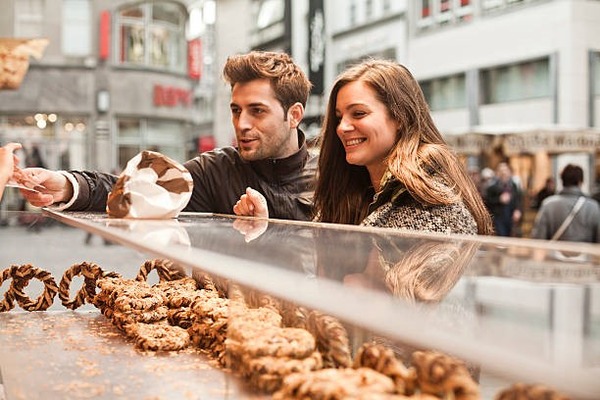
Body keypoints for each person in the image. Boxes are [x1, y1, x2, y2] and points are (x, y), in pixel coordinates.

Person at [18, 51, 317, 220]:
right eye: (237, 110)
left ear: (294, 115)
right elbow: (134, 188)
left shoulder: (331, 174)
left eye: (257, 111)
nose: (242, 124)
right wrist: (68, 186)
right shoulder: (217, 170)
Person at [237, 59, 493, 236]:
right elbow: (313, 266)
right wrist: (263, 227)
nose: (342, 127)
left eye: (358, 114)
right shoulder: (355, 187)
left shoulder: (428, 194)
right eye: (339, 117)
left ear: (400, 117)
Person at [531, 164, 600, 243]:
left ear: (562, 180)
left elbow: (538, 238)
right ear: (580, 182)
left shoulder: (548, 205)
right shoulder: (593, 206)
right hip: (586, 254)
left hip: (553, 254)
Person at [485, 162, 522, 237]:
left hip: (510, 216)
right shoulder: (492, 187)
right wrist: (499, 200)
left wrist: (517, 210)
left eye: (505, 170)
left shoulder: (513, 185)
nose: (504, 173)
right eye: (501, 171)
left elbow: (517, 199)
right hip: (498, 217)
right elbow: (487, 202)